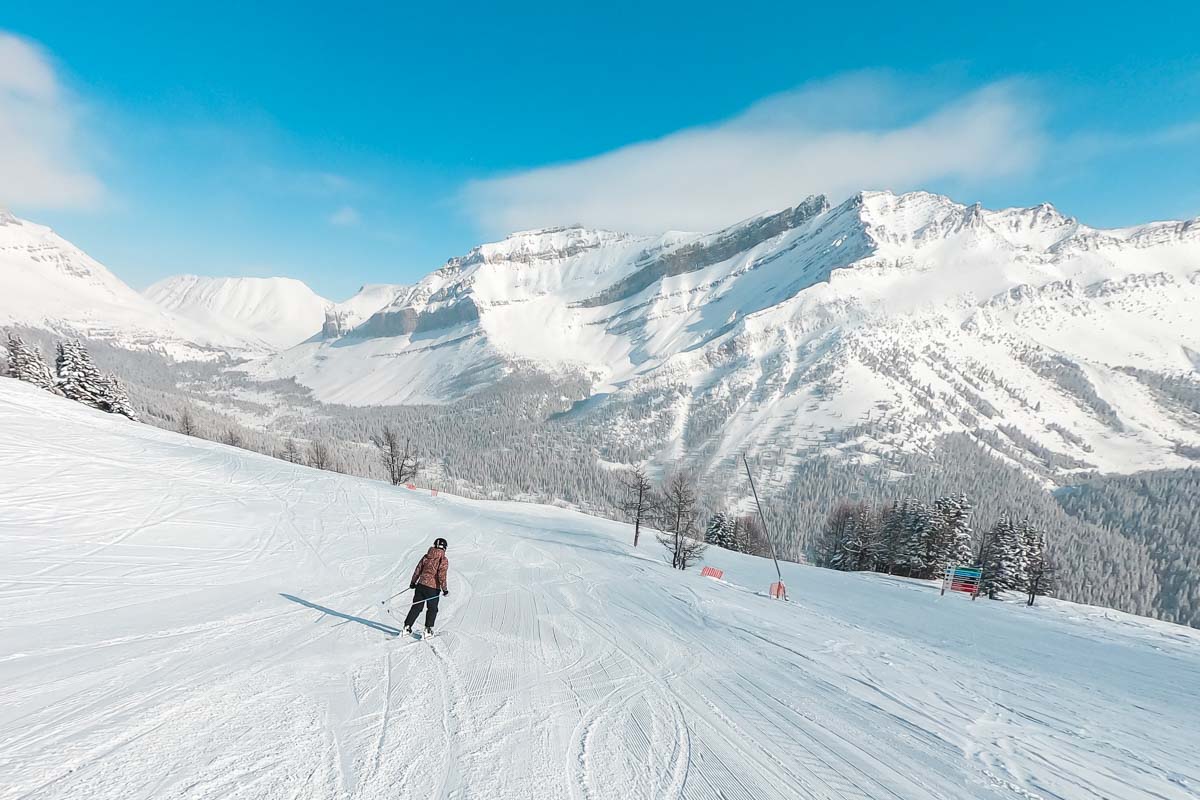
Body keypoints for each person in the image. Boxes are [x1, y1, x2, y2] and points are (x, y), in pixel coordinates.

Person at [403, 537, 449, 636]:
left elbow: (418, 569)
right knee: (432, 609)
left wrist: (413, 582)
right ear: (444, 548)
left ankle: (407, 627)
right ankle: (427, 630)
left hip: (420, 586)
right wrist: (445, 589)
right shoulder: (443, 560)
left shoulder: (426, 556)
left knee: (416, 607)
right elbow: (442, 575)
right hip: (433, 588)